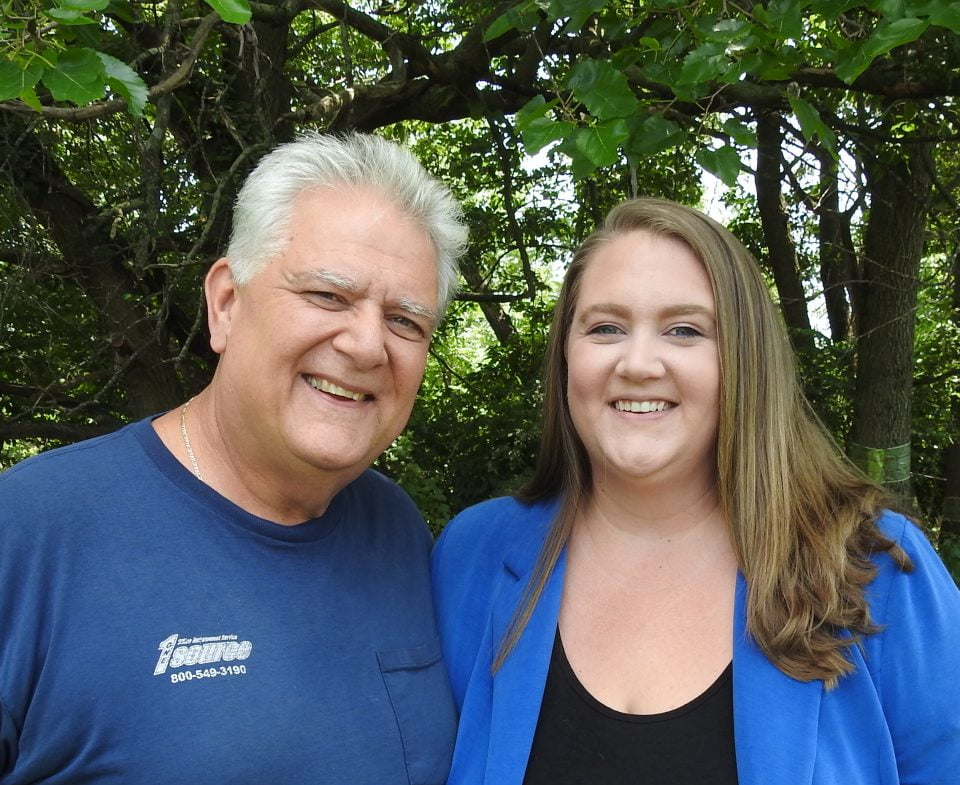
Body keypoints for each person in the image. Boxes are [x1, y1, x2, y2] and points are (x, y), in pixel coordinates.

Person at [432, 197, 960, 785]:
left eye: (684, 330)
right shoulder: (472, 556)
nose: (637, 363)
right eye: (606, 328)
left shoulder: (873, 565)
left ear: (743, 359)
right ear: (565, 357)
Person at [0, 132, 468, 784]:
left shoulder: (398, 530)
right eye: (328, 295)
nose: (367, 345)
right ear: (226, 302)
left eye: (405, 321)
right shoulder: (31, 531)